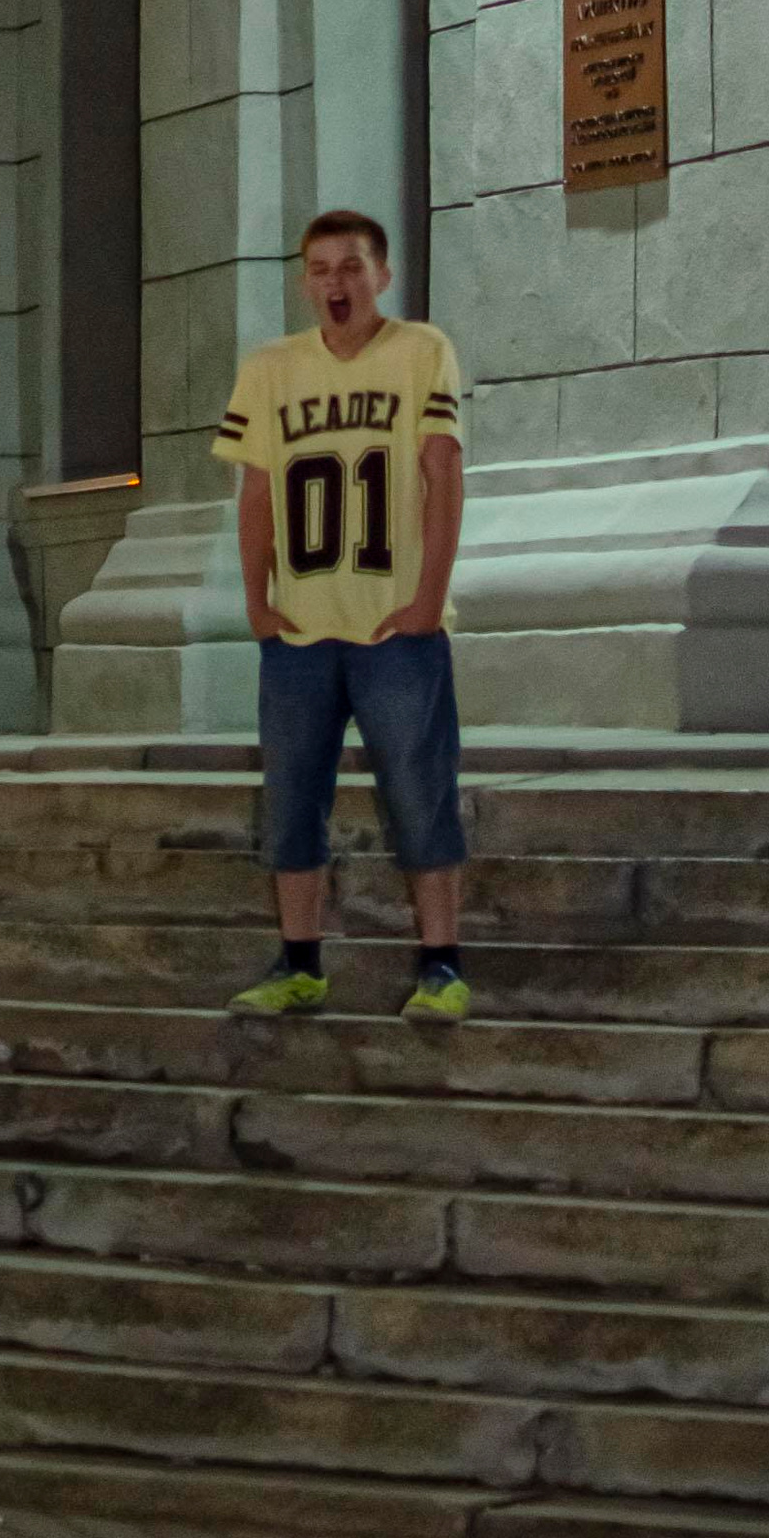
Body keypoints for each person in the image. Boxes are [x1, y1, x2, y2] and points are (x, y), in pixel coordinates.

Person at [213, 208, 471, 1023]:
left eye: (352, 267)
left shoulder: (421, 351)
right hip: (299, 626)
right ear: (302, 280)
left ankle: (441, 965)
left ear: (382, 275)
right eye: (321, 269)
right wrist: (256, 600)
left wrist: (430, 596)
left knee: (419, 790)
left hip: (395, 623)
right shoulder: (270, 368)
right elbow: (255, 494)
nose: (337, 283)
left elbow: (442, 473)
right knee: (291, 798)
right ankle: (300, 964)